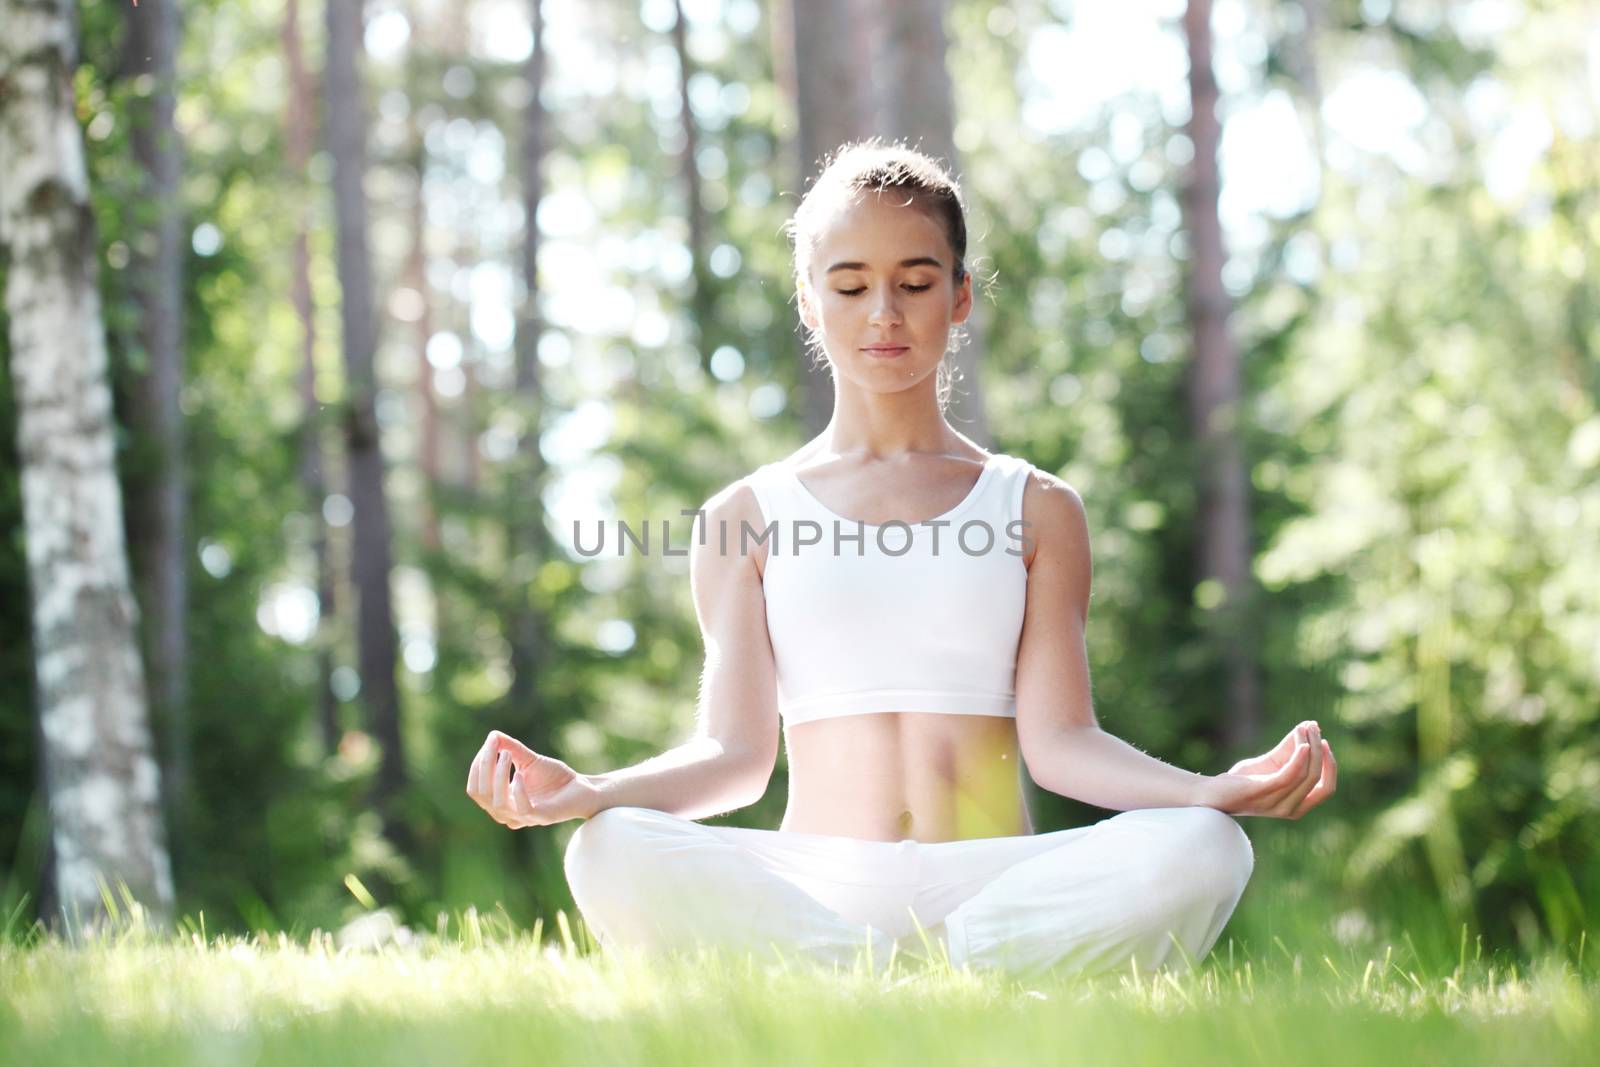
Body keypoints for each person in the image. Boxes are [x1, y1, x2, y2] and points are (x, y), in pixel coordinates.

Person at [465, 141, 1336, 977]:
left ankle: (918, 972)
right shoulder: (745, 515)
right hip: (815, 886)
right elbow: (734, 757)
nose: (884, 314)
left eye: (915, 283)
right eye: (850, 286)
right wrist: (590, 790)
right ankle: (885, 974)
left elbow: (1063, 743)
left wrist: (1208, 788)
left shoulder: (1036, 506)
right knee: (612, 846)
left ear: (959, 296)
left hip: (994, 879)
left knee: (1205, 843)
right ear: (810, 302)